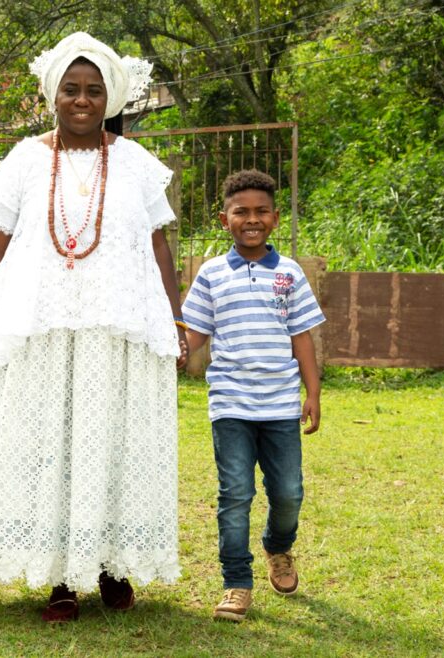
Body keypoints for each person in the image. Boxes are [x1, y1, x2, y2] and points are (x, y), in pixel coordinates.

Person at [0, 32, 189, 623]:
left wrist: (175, 316)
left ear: (109, 98)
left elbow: (158, 246)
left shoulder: (136, 163)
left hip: (117, 331)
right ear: (52, 95)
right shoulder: (25, 159)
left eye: (93, 91)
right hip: (41, 331)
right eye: (71, 89)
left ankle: (109, 566)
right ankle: (60, 578)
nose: (82, 100)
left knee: (113, 441)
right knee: (47, 446)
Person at [181, 170, 325, 622]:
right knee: (235, 493)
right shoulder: (210, 274)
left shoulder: (290, 272)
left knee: (289, 493)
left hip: (280, 404)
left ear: (275, 218)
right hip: (230, 404)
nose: (251, 219)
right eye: (241, 211)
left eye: (261, 211)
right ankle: (236, 582)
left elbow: (302, 336)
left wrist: (313, 392)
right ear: (224, 219)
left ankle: (278, 548)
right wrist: (175, 352)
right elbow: (196, 336)